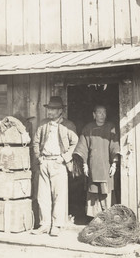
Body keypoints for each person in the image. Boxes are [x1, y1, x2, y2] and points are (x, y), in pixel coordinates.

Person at [31, 96, 78, 236]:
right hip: (44, 162)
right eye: (49, 109)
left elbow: (75, 142)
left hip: (59, 163)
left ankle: (56, 225)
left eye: (53, 109)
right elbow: (35, 142)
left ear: (60, 111)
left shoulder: (68, 125)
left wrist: (64, 158)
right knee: (42, 195)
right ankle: (44, 224)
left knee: (59, 195)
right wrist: (39, 157)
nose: (50, 112)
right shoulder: (43, 124)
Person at [73, 104, 120, 218]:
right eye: (99, 113)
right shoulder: (88, 128)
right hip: (92, 165)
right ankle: (95, 217)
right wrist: (85, 164)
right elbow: (82, 146)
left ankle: (108, 216)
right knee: (93, 190)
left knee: (106, 190)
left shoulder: (111, 127)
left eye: (104, 113)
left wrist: (114, 164)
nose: (102, 115)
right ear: (94, 115)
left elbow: (114, 145)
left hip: (106, 165)